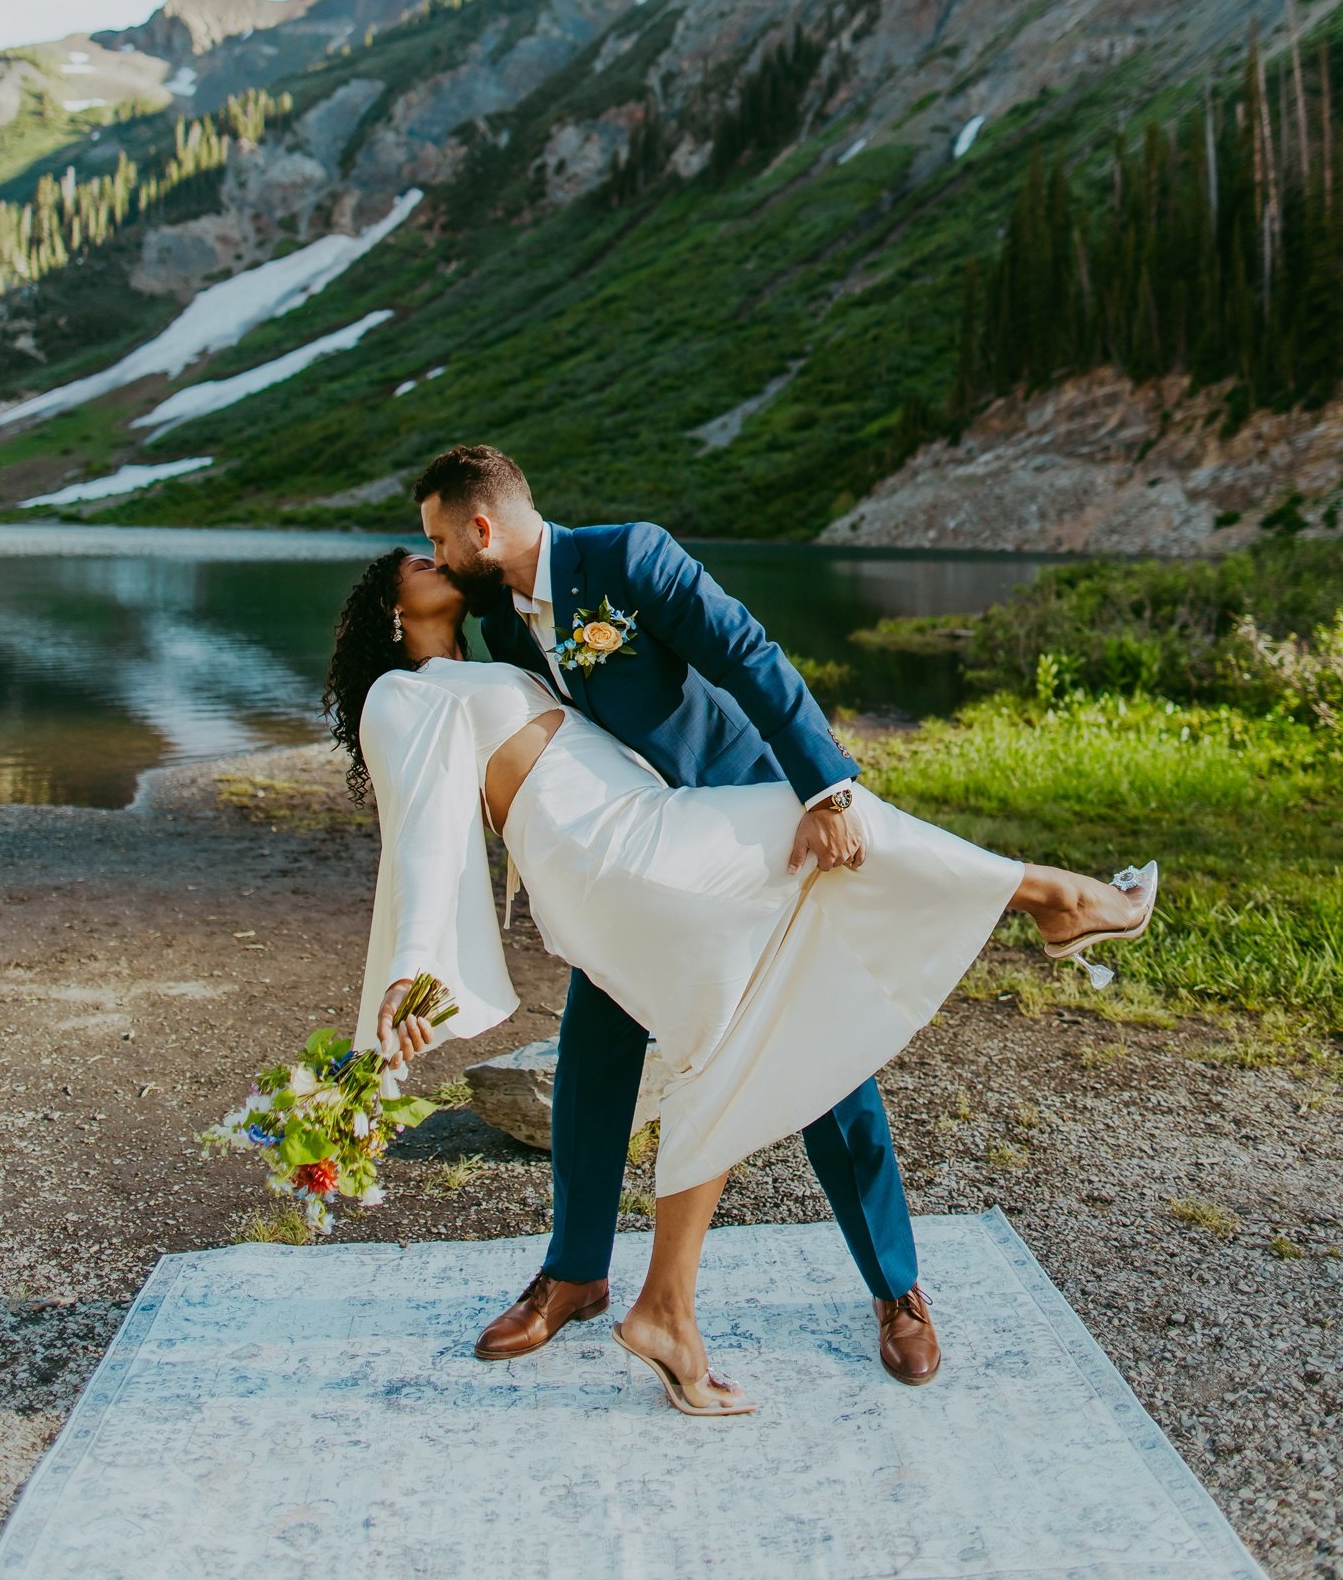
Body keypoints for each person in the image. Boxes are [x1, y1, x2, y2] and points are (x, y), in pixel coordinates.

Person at [325, 494, 1157, 1416]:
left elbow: (748, 656)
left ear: (482, 528)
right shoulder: (436, 672)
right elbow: (426, 836)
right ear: (396, 614)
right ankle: (580, 1278)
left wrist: (823, 785)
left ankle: (890, 1289)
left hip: (705, 811)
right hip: (631, 862)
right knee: (603, 1071)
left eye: (438, 538)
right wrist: (413, 963)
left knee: (796, 1047)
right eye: (420, 553)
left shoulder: (623, 564)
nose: (433, 553)